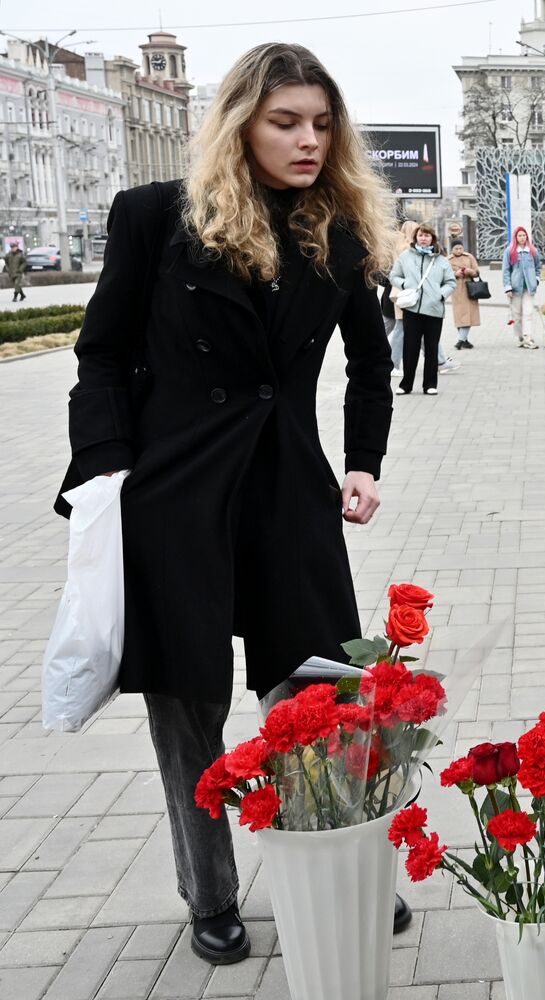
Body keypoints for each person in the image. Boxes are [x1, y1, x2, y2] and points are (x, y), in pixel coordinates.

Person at [57, 42, 400, 965]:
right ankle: (210, 893)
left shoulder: (340, 232)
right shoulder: (151, 219)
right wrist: (105, 469)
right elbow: (100, 354)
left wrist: (362, 462)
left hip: (290, 488)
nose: (308, 140)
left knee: (319, 692)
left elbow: (372, 364)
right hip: (177, 494)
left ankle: (340, 857)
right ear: (240, 121)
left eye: (322, 123)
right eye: (286, 120)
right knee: (188, 705)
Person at [389, 223, 455, 394]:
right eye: (420, 235)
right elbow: (393, 276)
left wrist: (440, 295)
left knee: (432, 348)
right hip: (412, 309)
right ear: (415, 238)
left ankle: (430, 384)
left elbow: (451, 282)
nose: (423, 239)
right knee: (410, 348)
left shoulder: (441, 260)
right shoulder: (405, 256)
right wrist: (405, 284)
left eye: (427, 236)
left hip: (434, 310)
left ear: (432, 238)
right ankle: (406, 385)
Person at [501, 224, 542, 349]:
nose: (522, 237)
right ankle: (520, 336)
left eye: (524, 235)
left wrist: (536, 280)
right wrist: (507, 287)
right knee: (517, 315)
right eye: (520, 235)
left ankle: (527, 337)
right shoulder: (510, 251)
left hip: (529, 288)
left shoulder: (532, 251)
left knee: (528, 313)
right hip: (515, 288)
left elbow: (538, 267)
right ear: (516, 237)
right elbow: (506, 270)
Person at [447, 242, 481, 349]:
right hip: (456, 290)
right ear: (452, 249)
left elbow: (477, 272)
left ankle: (460, 341)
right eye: (456, 248)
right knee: (459, 317)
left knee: (468, 315)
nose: (458, 250)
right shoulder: (448, 260)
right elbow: (444, 274)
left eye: (460, 248)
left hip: (469, 289)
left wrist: (470, 271)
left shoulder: (469, 257)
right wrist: (455, 274)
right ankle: (464, 340)